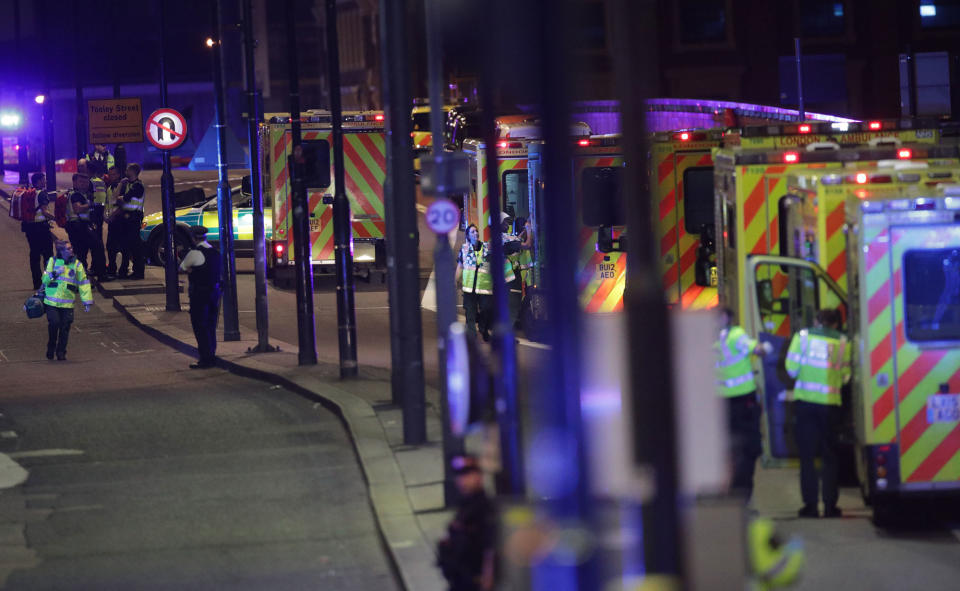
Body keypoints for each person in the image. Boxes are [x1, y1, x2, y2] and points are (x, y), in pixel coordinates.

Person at [785, 308, 851, 518]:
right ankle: (831, 506)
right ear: (836, 324)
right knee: (830, 457)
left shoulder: (802, 338)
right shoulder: (843, 342)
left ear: (817, 320)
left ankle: (811, 507)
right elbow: (846, 376)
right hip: (830, 405)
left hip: (805, 404)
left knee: (807, 458)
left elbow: (791, 368)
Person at [715, 308, 772, 501]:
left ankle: (725, 492)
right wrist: (767, 348)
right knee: (749, 448)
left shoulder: (706, 339)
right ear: (728, 319)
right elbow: (757, 349)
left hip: (719, 405)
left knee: (725, 450)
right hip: (743, 401)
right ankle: (742, 494)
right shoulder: (735, 335)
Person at [437, 455, 496, 591]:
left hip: (474, 581)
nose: (462, 480)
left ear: (478, 476)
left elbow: (490, 547)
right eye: (459, 476)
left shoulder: (483, 508)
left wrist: (487, 579)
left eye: (467, 474)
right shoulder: (466, 504)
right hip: (460, 580)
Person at [40, 241, 93, 361]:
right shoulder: (52, 262)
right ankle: (51, 346)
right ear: (61, 251)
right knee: (54, 324)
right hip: (51, 302)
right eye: (68, 249)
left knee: (65, 327)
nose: (71, 250)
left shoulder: (77, 265)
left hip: (67, 303)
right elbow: (45, 280)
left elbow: (83, 283)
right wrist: (55, 273)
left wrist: (87, 301)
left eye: (71, 248)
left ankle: (61, 352)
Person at [179, 226, 222, 369]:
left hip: (199, 294)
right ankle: (211, 354)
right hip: (215, 293)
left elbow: (182, 267)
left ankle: (205, 358)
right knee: (211, 324)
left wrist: (191, 269)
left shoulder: (195, 253)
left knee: (199, 325)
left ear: (193, 238)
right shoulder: (215, 253)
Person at [21, 172, 55, 290]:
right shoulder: (41, 194)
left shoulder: (29, 193)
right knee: (48, 255)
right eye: (43, 180)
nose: (45, 182)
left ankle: (37, 283)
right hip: (41, 228)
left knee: (34, 255)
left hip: (30, 228)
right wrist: (57, 218)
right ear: (38, 181)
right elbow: (45, 212)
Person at [115, 163, 146, 279]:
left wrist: (121, 199)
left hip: (134, 218)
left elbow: (124, 198)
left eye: (127, 169)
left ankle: (138, 272)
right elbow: (116, 198)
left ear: (132, 171)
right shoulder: (128, 184)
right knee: (125, 246)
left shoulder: (138, 186)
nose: (125, 171)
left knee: (135, 246)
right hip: (127, 218)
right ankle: (125, 270)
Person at [456, 225, 483, 340]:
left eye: (477, 231)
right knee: (470, 312)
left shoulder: (485, 247)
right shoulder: (464, 249)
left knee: (486, 309)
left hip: (483, 287)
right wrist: (455, 281)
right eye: (472, 232)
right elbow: (460, 267)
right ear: (467, 235)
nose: (476, 233)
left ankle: (483, 328)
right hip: (469, 287)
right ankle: (472, 335)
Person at [104, 165, 123, 277]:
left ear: (119, 175)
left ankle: (121, 270)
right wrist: (105, 216)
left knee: (120, 247)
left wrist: (112, 215)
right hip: (112, 221)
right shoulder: (110, 188)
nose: (112, 177)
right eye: (110, 175)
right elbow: (108, 204)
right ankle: (112, 268)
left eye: (114, 174)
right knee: (110, 246)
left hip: (120, 221)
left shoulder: (122, 186)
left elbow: (122, 205)